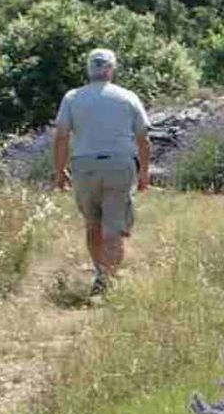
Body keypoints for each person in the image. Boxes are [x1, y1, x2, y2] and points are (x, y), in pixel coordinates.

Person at [53, 48, 151, 296]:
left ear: (89, 69)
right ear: (111, 69)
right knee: (113, 227)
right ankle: (108, 279)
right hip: (119, 165)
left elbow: (61, 136)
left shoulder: (73, 98)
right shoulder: (128, 97)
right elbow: (143, 137)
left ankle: (100, 273)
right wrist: (144, 172)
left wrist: (59, 170)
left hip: (84, 166)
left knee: (92, 224)